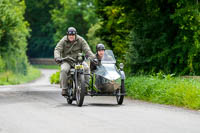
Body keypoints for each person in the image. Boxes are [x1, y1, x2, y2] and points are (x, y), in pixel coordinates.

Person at [54, 27, 95, 96]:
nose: (71, 36)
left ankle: (85, 87)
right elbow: (57, 49)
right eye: (70, 35)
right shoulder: (63, 40)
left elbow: (87, 50)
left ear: (75, 35)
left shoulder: (81, 40)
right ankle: (64, 88)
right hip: (67, 61)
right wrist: (57, 57)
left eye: (73, 35)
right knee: (64, 70)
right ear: (67, 35)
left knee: (87, 68)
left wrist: (93, 58)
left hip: (78, 61)